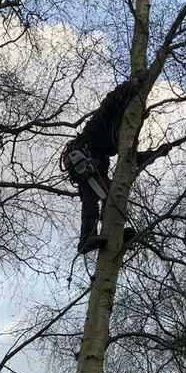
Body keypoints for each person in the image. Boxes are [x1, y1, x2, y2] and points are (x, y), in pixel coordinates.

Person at [61, 78, 142, 254]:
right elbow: (111, 99)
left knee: (112, 193)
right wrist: (133, 84)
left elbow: (130, 156)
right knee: (91, 193)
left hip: (98, 161)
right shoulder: (104, 117)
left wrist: (157, 152)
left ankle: (114, 232)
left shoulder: (121, 131)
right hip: (84, 154)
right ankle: (87, 237)